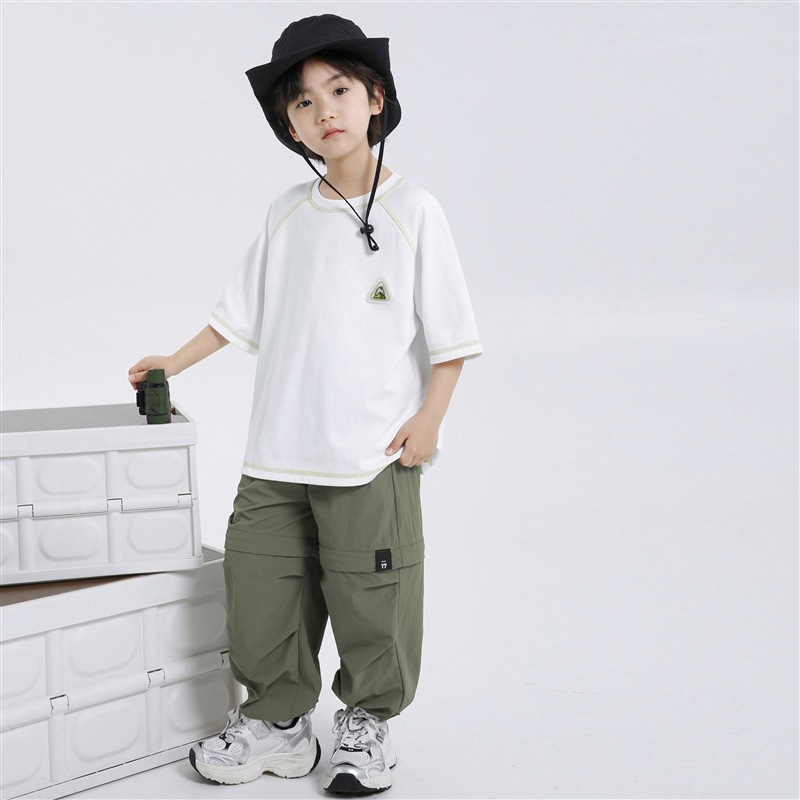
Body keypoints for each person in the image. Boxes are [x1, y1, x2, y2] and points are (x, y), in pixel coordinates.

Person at [128, 14, 482, 795]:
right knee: (262, 590)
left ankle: (367, 724)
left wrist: (431, 418)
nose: (324, 110)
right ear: (290, 126)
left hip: (371, 453)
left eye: (340, 90)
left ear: (375, 99)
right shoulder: (286, 213)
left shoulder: (415, 210)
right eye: (303, 102)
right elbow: (236, 314)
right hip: (277, 452)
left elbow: (452, 338)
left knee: (373, 597)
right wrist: (173, 361)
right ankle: (279, 724)